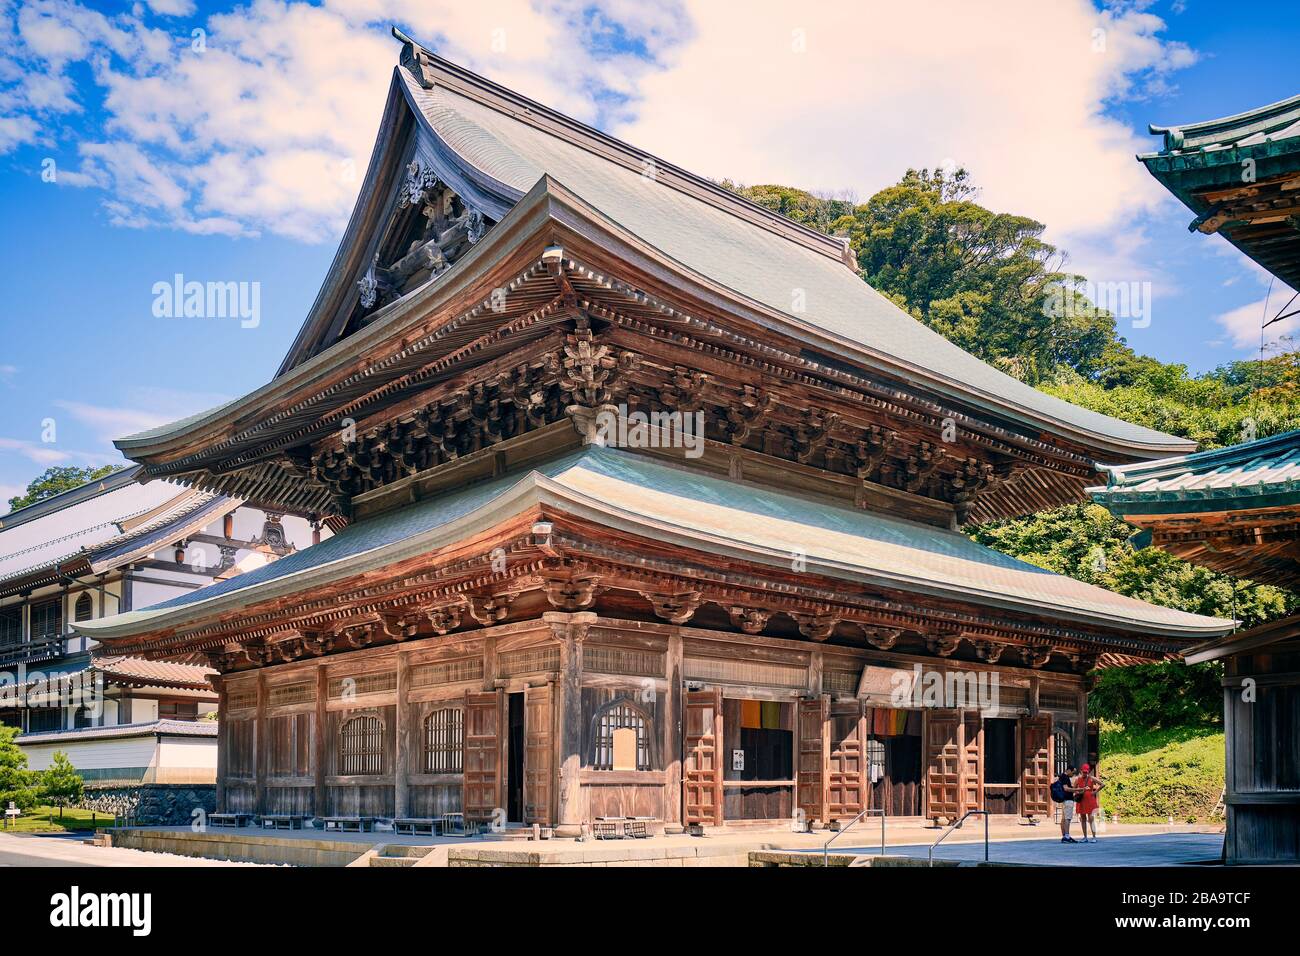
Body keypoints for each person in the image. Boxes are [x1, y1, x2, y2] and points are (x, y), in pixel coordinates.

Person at [1075, 763, 1104, 842]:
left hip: (1090, 800)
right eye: (1083, 772)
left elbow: (1102, 784)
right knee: (1083, 818)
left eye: (1086, 772)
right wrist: (1079, 791)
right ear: (1081, 771)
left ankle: (1094, 837)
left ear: (1088, 772)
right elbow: (1074, 789)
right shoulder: (1078, 779)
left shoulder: (1091, 778)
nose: (1085, 773)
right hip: (1081, 800)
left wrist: (1095, 792)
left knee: (1091, 818)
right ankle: (1085, 837)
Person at [1052, 764, 1080, 843]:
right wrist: (1078, 789)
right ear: (1068, 770)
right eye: (1073, 772)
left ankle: (1064, 835)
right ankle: (1067, 836)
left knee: (1064, 818)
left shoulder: (1062, 777)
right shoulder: (1065, 777)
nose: (1073, 774)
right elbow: (1066, 788)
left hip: (1064, 800)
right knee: (1067, 818)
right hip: (1068, 800)